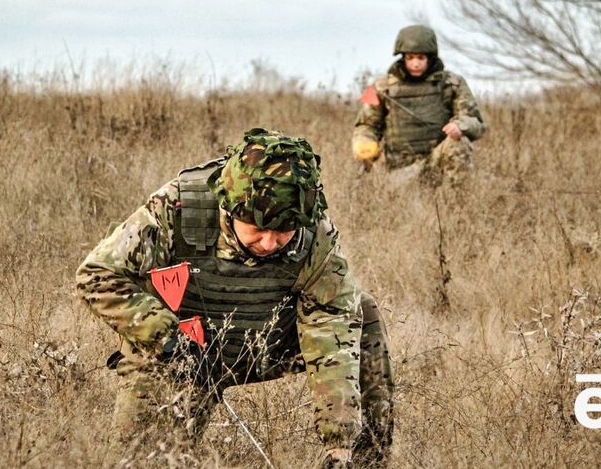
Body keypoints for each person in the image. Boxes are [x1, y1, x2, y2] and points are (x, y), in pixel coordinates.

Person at [76, 128, 394, 467]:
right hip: (179, 350)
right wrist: (165, 337)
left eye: (283, 232)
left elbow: (331, 323)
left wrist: (339, 441)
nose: (271, 243)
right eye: (258, 229)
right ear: (231, 208)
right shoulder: (181, 206)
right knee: (139, 461)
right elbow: (96, 275)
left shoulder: (314, 233)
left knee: (363, 310)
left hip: (263, 341)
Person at [353, 25, 486, 184]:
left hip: (438, 159)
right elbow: (366, 125)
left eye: (421, 58)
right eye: (410, 58)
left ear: (430, 58)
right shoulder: (381, 87)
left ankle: (458, 204)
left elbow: (475, 121)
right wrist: (364, 141)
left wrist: (460, 126)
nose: (415, 64)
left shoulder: (451, 84)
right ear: (403, 57)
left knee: (458, 143)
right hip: (400, 170)